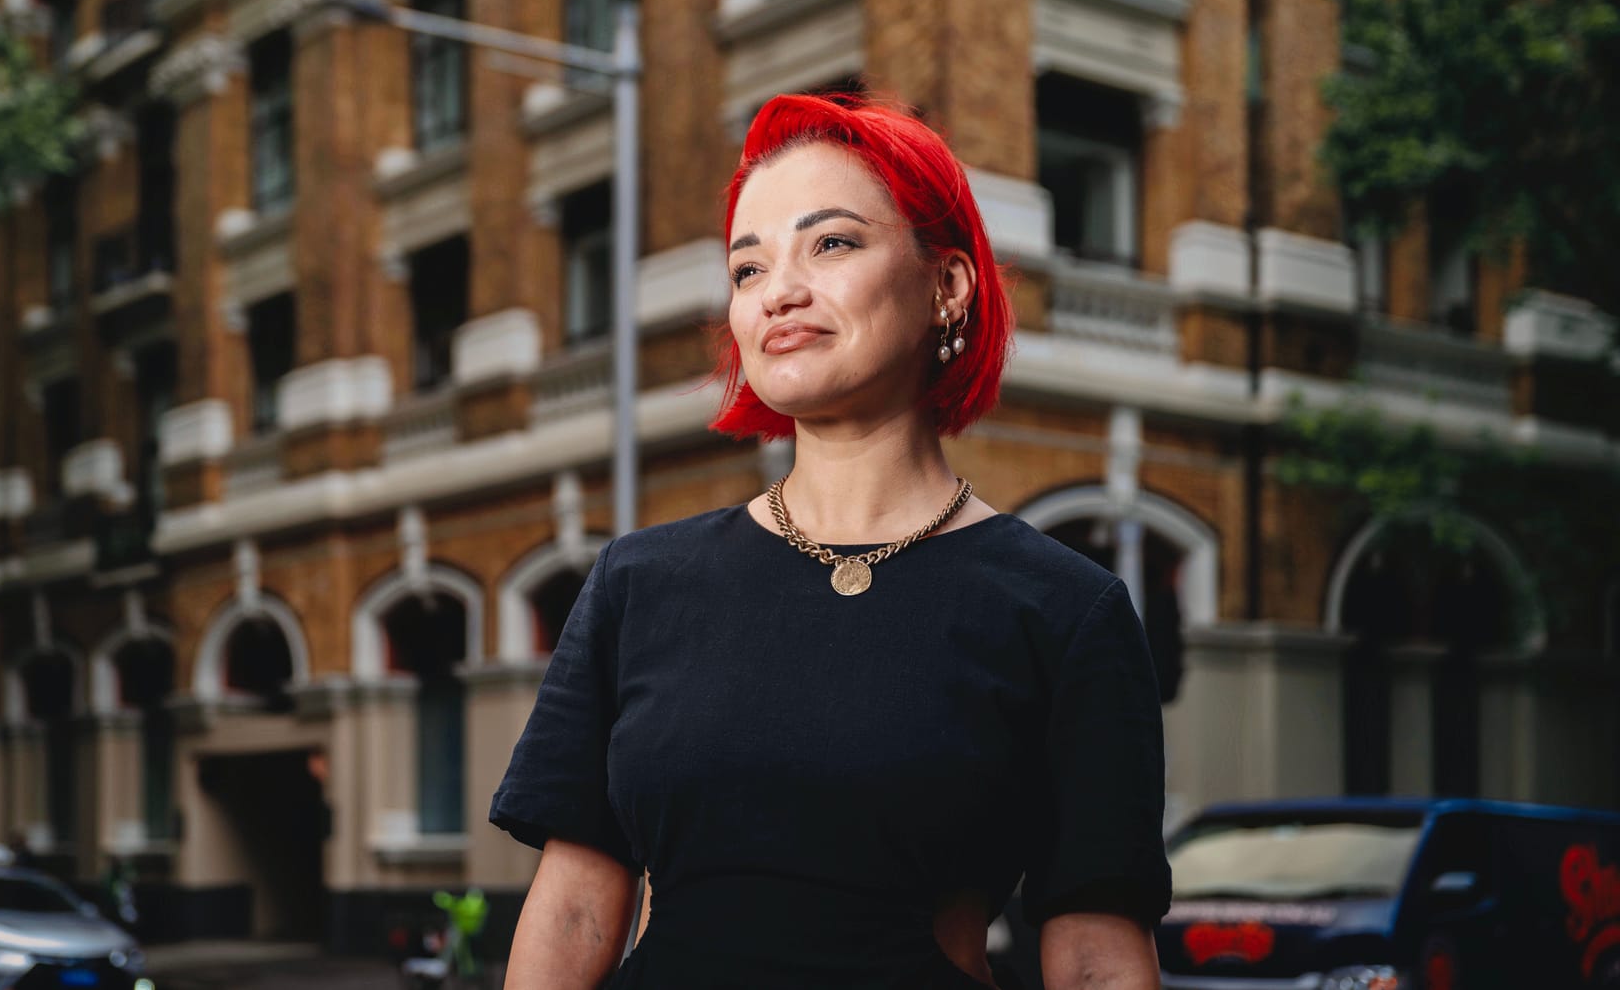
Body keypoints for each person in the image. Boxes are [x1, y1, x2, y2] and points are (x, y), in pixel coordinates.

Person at [489, 94, 1171, 989]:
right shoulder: (636, 584)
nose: (779, 291)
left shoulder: (1064, 612)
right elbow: (575, 908)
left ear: (948, 283)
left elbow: (1093, 960)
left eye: (833, 243)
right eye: (746, 268)